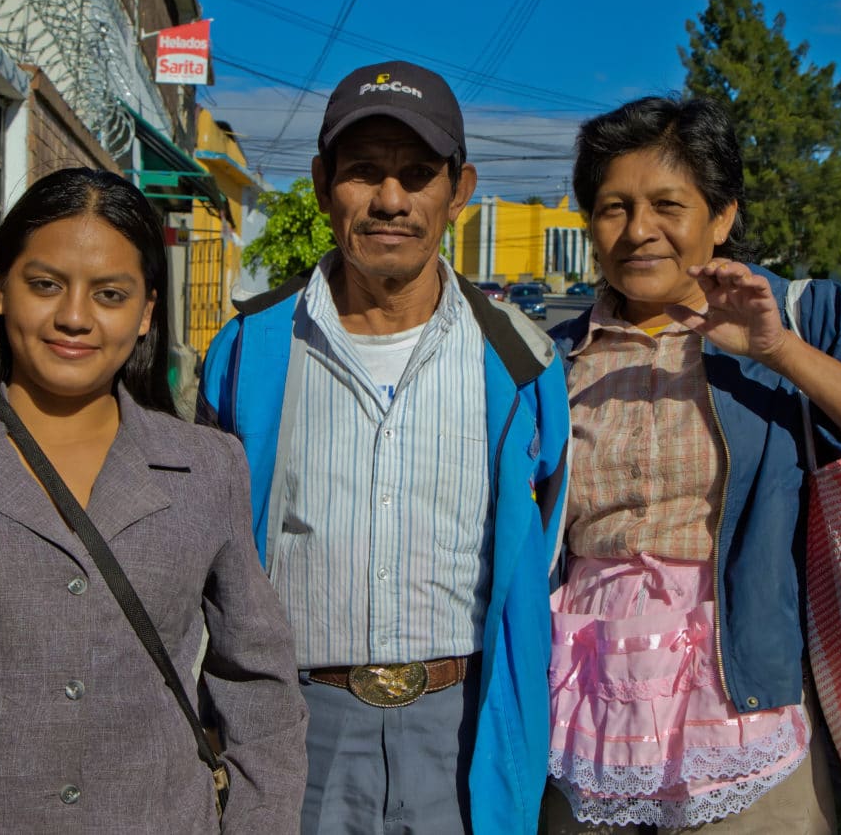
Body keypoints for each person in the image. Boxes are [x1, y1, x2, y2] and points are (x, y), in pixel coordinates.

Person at [0, 168, 308, 833]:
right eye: (46, 285)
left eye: (109, 294)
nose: (74, 316)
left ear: (147, 312)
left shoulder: (206, 469)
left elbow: (260, 686)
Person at [540, 96, 841, 834]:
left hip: (744, 693)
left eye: (666, 204)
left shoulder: (803, 316)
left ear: (722, 216)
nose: (638, 230)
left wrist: (778, 351)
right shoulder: (550, 358)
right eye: (613, 207)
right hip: (584, 704)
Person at [197, 61, 571, 834]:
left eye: (416, 175)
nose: (391, 200)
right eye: (364, 172)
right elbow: (206, 550)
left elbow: (545, 552)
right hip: (295, 729)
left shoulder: (521, 362)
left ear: (459, 190)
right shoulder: (250, 352)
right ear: (321, 182)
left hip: (462, 731)